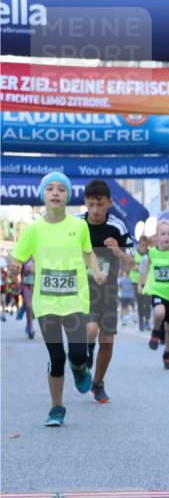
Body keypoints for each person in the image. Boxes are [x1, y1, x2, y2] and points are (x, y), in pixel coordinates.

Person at [8, 172, 106, 426]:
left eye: (61, 189)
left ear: (67, 196)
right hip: (46, 303)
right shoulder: (33, 229)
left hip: (75, 301)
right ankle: (57, 408)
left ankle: (80, 367)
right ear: (43, 195)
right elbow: (18, 258)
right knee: (56, 357)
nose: (55, 192)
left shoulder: (78, 226)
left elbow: (87, 253)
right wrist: (14, 267)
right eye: (49, 188)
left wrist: (96, 270)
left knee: (76, 353)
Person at [80, 179, 135, 403]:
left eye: (99, 204)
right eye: (91, 204)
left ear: (109, 203)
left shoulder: (117, 226)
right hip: (83, 290)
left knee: (108, 340)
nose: (94, 210)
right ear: (85, 202)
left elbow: (132, 263)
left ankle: (98, 383)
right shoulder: (76, 224)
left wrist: (118, 252)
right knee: (91, 328)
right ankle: (87, 350)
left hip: (108, 290)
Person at [141, 220, 169, 370]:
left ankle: (167, 353)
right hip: (158, 291)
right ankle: (155, 331)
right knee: (159, 313)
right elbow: (145, 269)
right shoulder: (151, 253)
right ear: (158, 236)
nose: (166, 237)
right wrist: (142, 284)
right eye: (163, 234)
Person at [132, 235, 151, 331]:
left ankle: (147, 320)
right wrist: (138, 267)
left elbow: (151, 267)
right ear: (139, 244)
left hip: (147, 280)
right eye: (141, 244)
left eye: (145, 244)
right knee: (140, 302)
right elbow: (131, 265)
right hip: (136, 280)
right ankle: (141, 322)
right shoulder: (134, 253)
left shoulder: (150, 254)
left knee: (147, 301)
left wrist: (139, 266)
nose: (143, 246)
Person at [19, 257, 35, 339]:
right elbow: (19, 273)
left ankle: (28, 324)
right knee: (29, 306)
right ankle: (30, 328)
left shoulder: (36, 259)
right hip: (26, 286)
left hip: (35, 286)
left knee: (32, 308)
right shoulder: (23, 260)